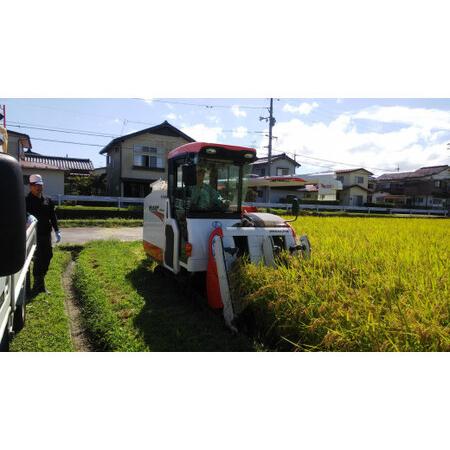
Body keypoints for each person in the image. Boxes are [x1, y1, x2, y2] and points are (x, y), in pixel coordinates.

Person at [25, 174, 61, 294]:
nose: (39, 188)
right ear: (30, 186)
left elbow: (53, 216)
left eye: (40, 185)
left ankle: (40, 280)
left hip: (46, 234)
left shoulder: (48, 200)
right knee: (39, 258)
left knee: (48, 255)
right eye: (36, 186)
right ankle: (38, 285)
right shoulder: (25, 201)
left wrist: (57, 230)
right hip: (33, 236)